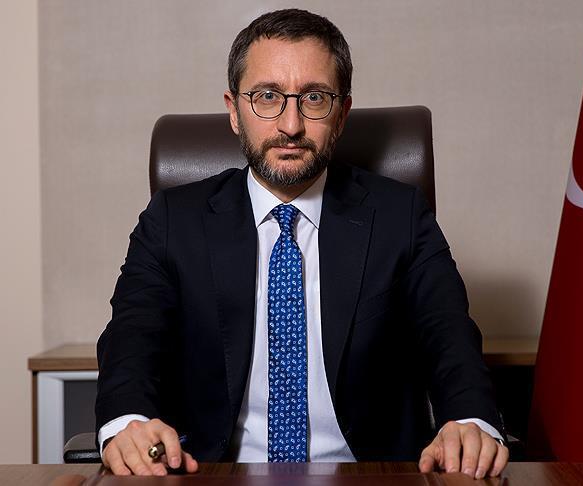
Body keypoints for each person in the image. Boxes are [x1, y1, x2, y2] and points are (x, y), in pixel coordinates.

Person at [95, 8, 509, 479]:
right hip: (213, 476)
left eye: (314, 98)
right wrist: (127, 424)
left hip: (371, 477)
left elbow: (449, 338)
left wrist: (471, 423)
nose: (290, 125)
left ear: (342, 114)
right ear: (234, 111)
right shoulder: (172, 221)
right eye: (267, 97)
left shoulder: (400, 217)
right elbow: (131, 339)